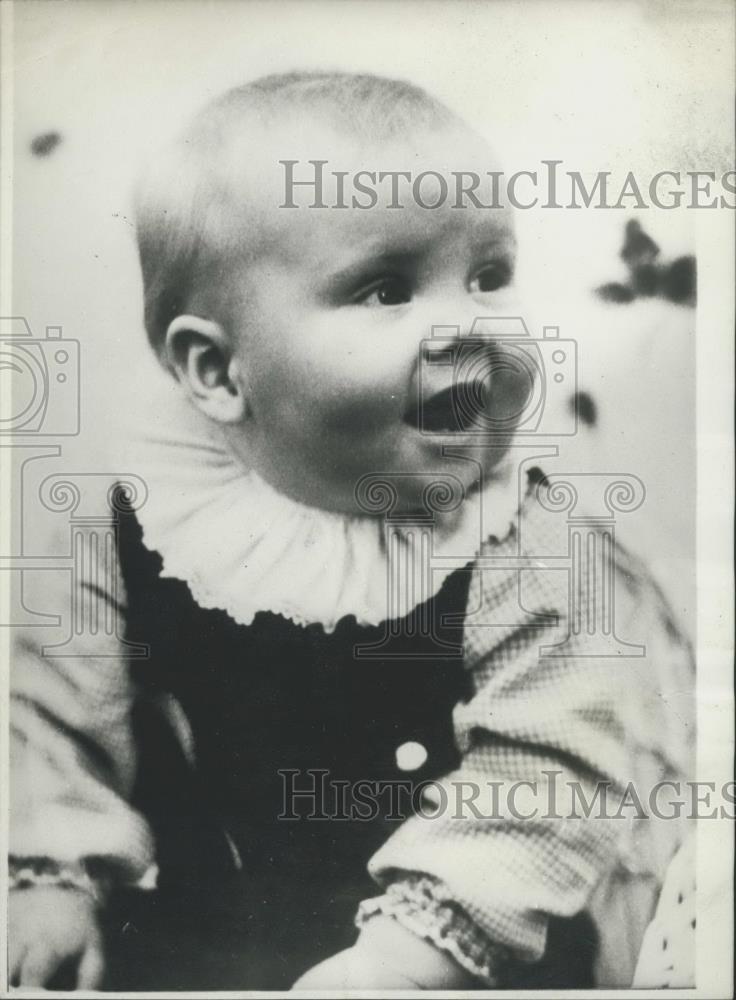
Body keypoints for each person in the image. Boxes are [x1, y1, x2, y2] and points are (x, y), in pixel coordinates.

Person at [9, 71, 694, 990]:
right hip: (220, 930)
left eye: (489, 275)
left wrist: (408, 961)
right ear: (216, 369)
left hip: (473, 934)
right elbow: (50, 721)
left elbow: (552, 787)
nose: (466, 324)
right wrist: (49, 877)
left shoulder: (534, 541)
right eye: (384, 289)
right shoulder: (132, 520)